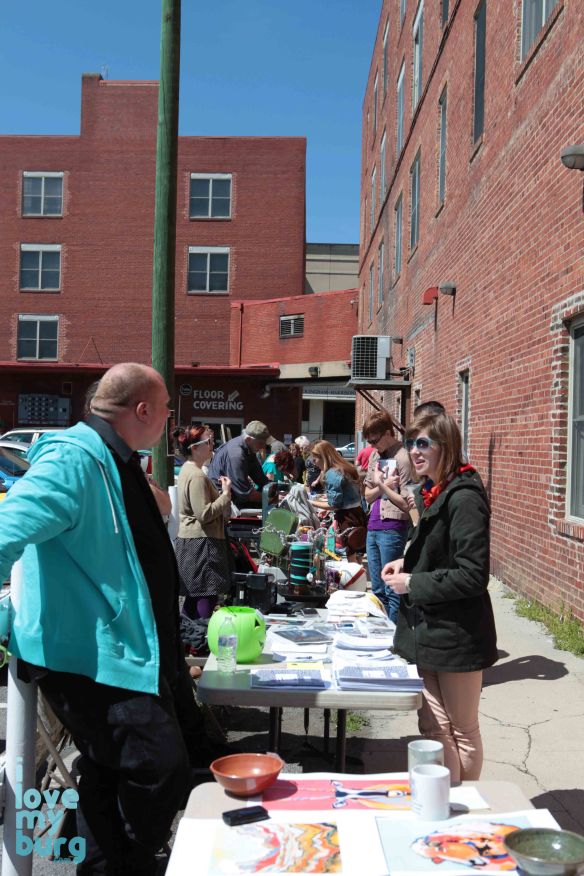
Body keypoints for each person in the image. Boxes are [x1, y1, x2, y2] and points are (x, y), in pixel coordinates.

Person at [0, 363, 217, 875]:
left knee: (113, 768)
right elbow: (7, 530)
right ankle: (122, 863)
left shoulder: (115, 458)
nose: (169, 419)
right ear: (142, 410)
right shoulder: (74, 459)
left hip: (127, 651)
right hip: (91, 656)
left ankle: (100, 863)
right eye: (165, 409)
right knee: (156, 766)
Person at [382, 411, 497, 783]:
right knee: (433, 724)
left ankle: (465, 805)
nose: (414, 451)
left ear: (444, 447)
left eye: (423, 443)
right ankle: (447, 801)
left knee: (460, 730)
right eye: (411, 442)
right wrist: (406, 561)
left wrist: (413, 583)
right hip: (429, 628)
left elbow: (473, 575)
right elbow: (438, 551)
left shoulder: (463, 497)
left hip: (457, 633)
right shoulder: (435, 491)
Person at [174, 425, 232, 620]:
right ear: (194, 448)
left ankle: (189, 639)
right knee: (206, 593)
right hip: (202, 543)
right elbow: (204, 513)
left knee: (195, 594)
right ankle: (199, 639)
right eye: (207, 442)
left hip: (193, 541)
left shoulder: (188, 470)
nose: (211, 445)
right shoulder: (197, 475)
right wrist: (225, 495)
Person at [362, 411, 413, 623]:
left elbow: (406, 504)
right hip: (373, 526)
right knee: (377, 588)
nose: (373, 446)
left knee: (392, 588)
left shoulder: (403, 457)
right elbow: (367, 495)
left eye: (375, 440)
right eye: (369, 441)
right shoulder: (375, 456)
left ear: (388, 433)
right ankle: (380, 633)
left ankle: (394, 637)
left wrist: (381, 486)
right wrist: (384, 488)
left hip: (392, 526)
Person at [309, 440, 367, 563]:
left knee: (350, 550)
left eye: (315, 459)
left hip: (347, 517)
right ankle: (359, 574)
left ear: (323, 457)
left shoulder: (331, 474)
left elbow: (334, 504)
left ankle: (353, 579)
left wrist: (311, 502)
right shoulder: (344, 468)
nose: (314, 462)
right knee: (357, 548)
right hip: (358, 512)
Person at [207, 420, 273, 508]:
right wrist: (270, 499)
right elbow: (245, 493)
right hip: (220, 500)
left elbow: (260, 478)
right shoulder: (236, 455)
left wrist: (273, 490)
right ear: (249, 439)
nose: (263, 447)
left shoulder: (249, 449)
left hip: (233, 495)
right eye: (261, 443)